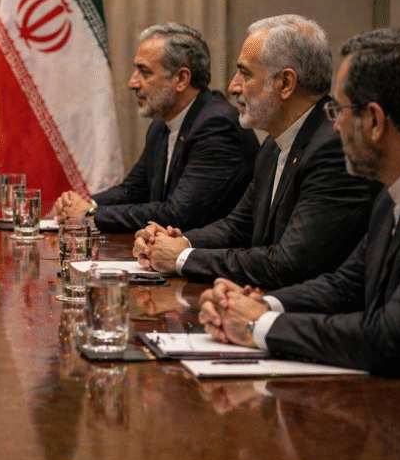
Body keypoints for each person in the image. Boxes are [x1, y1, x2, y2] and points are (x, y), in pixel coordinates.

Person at [198, 27, 400, 390]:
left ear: (374, 120)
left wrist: (259, 325)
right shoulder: (393, 193)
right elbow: (345, 284)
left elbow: (390, 337)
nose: (333, 124)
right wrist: (256, 304)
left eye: (338, 109)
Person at [134, 15, 379, 289]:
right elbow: (237, 226)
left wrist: (182, 257)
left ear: (285, 83)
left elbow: (289, 264)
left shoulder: (332, 149)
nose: (233, 86)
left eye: (245, 74)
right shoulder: (274, 144)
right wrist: (178, 241)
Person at [55, 23, 258, 233]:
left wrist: (90, 214)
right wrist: (83, 204)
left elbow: (178, 214)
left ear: (181, 79)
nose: (133, 83)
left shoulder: (217, 125)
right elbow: (134, 190)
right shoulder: (161, 126)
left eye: (144, 72)